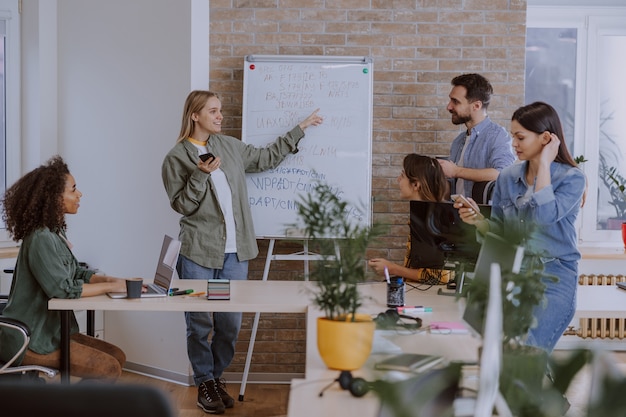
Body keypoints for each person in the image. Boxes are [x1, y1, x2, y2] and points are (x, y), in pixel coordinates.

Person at [161, 90, 323, 415]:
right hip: (198, 254)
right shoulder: (176, 157)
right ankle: (204, 381)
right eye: (213, 111)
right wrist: (199, 174)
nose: (220, 116)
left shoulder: (229, 147)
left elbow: (266, 158)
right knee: (199, 322)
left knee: (230, 323)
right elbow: (182, 205)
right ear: (195, 115)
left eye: (220, 111)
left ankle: (216, 376)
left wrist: (300, 128)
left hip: (235, 256)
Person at [455, 101, 586, 353]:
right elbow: (504, 235)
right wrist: (479, 221)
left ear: (546, 138)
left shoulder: (572, 179)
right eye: (513, 135)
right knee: (501, 351)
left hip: (554, 278)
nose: (513, 143)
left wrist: (545, 165)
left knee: (528, 355)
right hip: (514, 273)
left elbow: (544, 217)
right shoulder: (507, 177)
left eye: (520, 137)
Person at [0, 156, 130, 380]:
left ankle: (73, 405)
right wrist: (112, 286)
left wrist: (115, 282)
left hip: (54, 333)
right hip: (31, 339)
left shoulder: (54, 232)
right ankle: (70, 407)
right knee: (108, 369)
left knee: (117, 356)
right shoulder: (40, 237)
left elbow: (77, 273)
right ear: (54, 198)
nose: (79, 195)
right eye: (73, 190)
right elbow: (62, 289)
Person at [368, 153, 452, 284]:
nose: (398, 180)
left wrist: (393, 269)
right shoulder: (421, 218)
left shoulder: (434, 223)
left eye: (402, 176)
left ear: (416, 185)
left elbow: (442, 276)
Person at [438, 73, 516, 198]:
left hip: (482, 217)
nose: (449, 106)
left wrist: (456, 171)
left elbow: (503, 174)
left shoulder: (498, 136)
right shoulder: (458, 141)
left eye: (455, 101)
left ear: (476, 106)